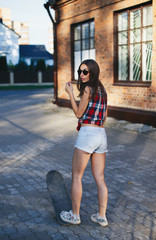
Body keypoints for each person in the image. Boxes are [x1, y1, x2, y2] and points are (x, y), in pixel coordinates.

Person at [60, 59, 108, 227]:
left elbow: (79, 113)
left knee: (77, 176)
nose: (81, 74)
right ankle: (101, 216)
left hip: (88, 134)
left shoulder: (88, 89)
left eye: (85, 72)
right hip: (101, 134)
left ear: (92, 73)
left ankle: (75, 215)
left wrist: (70, 93)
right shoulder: (102, 90)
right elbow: (104, 116)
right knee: (100, 178)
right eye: (80, 71)